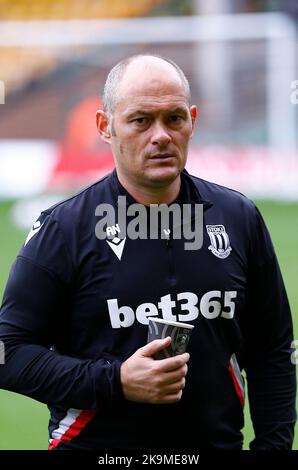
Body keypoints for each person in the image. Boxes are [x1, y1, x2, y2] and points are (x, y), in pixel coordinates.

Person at [0, 54, 296, 451]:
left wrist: (273, 446)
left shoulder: (238, 217)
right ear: (106, 127)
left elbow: (272, 349)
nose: (161, 135)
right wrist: (116, 380)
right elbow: (9, 352)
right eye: (141, 120)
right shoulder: (64, 229)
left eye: (174, 118)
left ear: (192, 120)